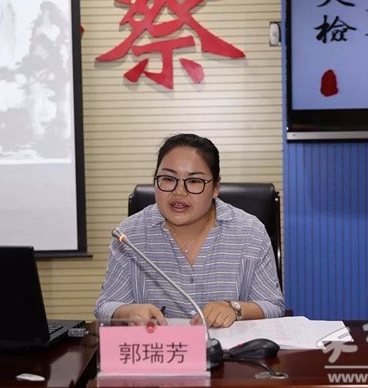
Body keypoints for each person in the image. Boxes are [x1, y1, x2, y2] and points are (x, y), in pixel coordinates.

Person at [94, 133, 285, 328]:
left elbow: (273, 306)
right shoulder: (129, 235)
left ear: (216, 187)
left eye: (194, 181)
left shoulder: (250, 232)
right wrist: (126, 311)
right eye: (168, 179)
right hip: (158, 346)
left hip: (229, 347)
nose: (179, 192)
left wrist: (235, 309)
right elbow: (105, 306)